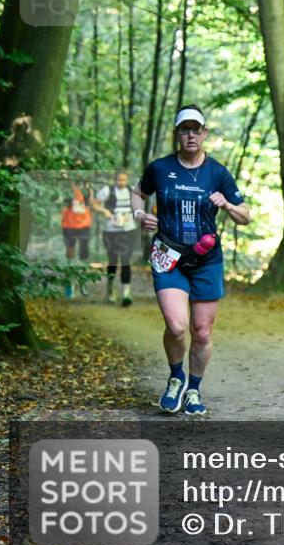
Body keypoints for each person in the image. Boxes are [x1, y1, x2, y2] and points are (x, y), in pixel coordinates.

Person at [132, 105, 251, 416]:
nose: (190, 135)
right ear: (177, 134)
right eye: (184, 130)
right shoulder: (160, 168)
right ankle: (176, 378)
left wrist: (226, 204)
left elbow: (245, 217)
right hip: (167, 256)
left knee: (202, 332)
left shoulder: (217, 172)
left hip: (206, 259)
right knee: (176, 325)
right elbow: (137, 193)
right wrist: (139, 214)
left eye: (195, 129)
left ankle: (194, 389)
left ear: (204, 133)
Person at [95, 170, 137, 306]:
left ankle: (126, 293)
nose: (122, 183)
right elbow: (94, 203)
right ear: (115, 180)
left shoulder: (132, 190)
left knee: (126, 260)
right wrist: (104, 211)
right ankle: (110, 289)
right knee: (112, 260)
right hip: (111, 231)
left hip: (129, 230)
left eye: (124, 180)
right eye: (119, 180)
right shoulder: (107, 191)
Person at [60, 182, 95, 298]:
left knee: (84, 254)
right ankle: (69, 283)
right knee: (70, 252)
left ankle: (83, 281)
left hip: (84, 225)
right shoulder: (66, 187)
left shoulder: (87, 187)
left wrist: (88, 190)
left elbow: (91, 204)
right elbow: (61, 202)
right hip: (69, 225)